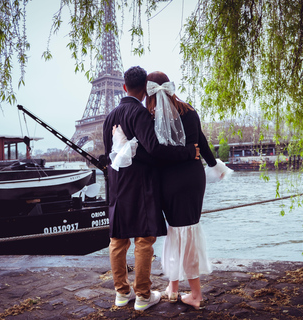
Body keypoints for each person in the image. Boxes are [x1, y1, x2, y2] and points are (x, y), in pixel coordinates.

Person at [102, 66, 200, 311]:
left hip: (117, 186)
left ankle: (122, 293)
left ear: (124, 87)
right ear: (146, 91)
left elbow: (108, 156)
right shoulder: (140, 114)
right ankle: (143, 296)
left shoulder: (109, 117)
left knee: (117, 240)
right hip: (141, 185)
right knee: (144, 239)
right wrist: (189, 152)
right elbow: (155, 150)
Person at [145, 71, 230, 310]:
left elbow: (155, 153)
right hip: (193, 178)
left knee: (178, 232)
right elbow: (201, 141)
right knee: (185, 231)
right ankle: (174, 288)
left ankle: (195, 294)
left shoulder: (151, 117)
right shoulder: (189, 111)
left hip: (169, 181)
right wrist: (214, 165)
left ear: (151, 91)